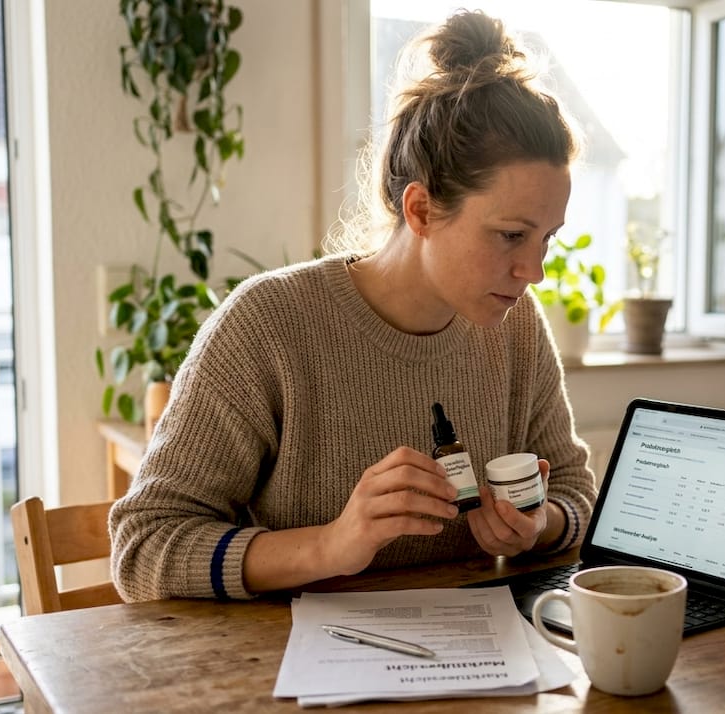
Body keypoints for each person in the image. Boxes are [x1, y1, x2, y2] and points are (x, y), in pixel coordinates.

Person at [108, 9, 598, 601]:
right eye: (511, 235)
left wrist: (536, 525)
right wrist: (332, 545)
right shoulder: (268, 326)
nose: (534, 272)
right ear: (419, 210)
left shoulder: (516, 327)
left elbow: (574, 491)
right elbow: (143, 546)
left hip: (478, 668)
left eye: (547, 238)